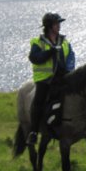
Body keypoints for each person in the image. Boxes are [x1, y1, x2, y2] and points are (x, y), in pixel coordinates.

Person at [27, 12, 75, 145]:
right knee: (38, 101)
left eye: (59, 23)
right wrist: (50, 52)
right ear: (49, 26)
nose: (59, 26)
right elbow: (35, 58)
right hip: (45, 79)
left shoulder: (64, 41)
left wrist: (70, 70)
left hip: (63, 77)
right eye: (56, 23)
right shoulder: (37, 42)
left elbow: (71, 56)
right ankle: (34, 132)